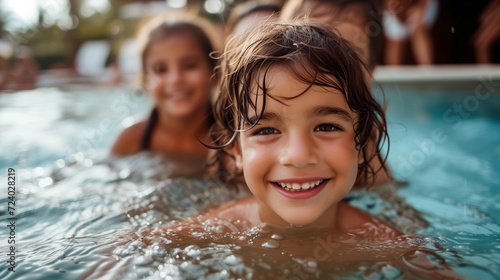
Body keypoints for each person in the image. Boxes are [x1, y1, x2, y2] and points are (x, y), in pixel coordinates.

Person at [206, 21, 394, 234]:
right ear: (237, 151)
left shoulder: (388, 245)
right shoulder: (212, 231)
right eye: (266, 130)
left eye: (326, 127)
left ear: (363, 141)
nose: (298, 156)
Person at [280, 0, 391, 185]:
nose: (328, 71)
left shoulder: (368, 149)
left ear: (370, 71)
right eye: (311, 50)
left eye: (349, 55)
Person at [110, 13, 220, 159]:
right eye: (160, 70)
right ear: (145, 81)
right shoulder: (132, 138)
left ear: (215, 73)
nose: (175, 79)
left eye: (189, 66)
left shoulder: (229, 141)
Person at [382, 0, 438, 65]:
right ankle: (392, 73)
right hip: (393, 10)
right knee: (394, 39)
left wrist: (422, 6)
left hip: (421, 6)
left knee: (418, 30)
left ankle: (428, 70)